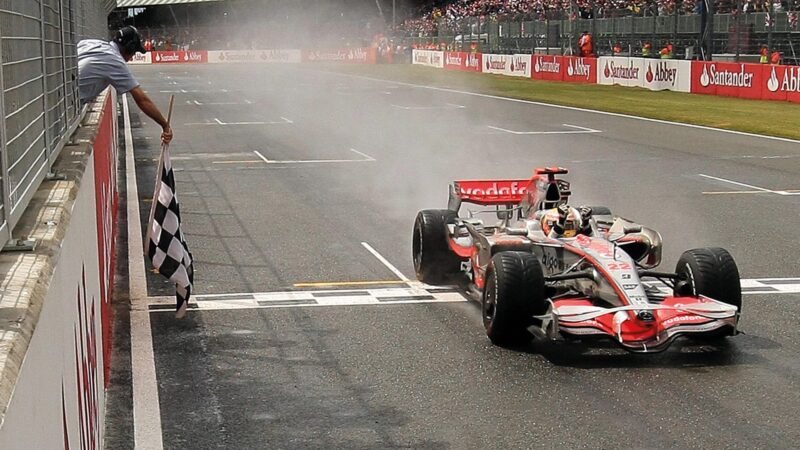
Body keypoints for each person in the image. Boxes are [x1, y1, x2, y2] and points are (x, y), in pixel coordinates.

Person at [78, 26, 173, 144]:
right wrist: (164, 125)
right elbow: (142, 99)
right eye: (134, 51)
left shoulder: (92, 43)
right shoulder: (114, 60)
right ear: (129, 47)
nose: (133, 57)